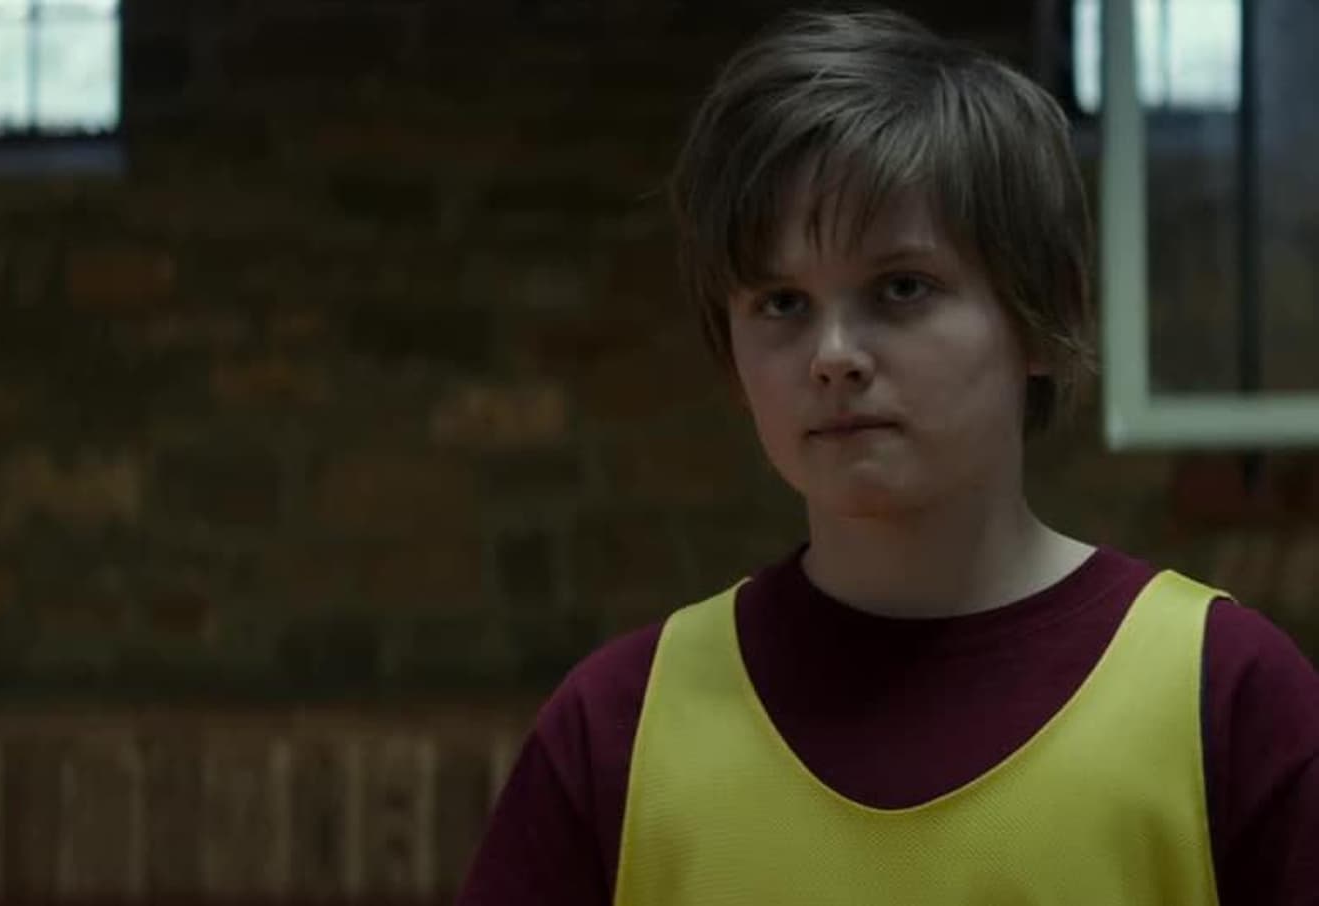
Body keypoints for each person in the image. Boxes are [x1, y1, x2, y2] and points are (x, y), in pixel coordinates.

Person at [455, 7, 1319, 905]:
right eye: (782, 302)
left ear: (1043, 313)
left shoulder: (1226, 698)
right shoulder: (615, 733)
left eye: (902, 287)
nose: (833, 355)